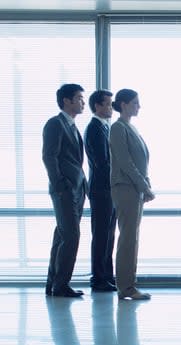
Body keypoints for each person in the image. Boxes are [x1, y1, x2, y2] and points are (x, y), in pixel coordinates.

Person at [42, 83, 88, 298]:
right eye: (79, 98)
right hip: (65, 190)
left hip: (76, 189)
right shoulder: (55, 124)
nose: (82, 102)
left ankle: (53, 284)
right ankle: (61, 285)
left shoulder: (71, 125)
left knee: (62, 236)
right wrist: (60, 185)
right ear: (67, 101)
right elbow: (49, 156)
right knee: (70, 236)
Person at [109, 89, 155, 300]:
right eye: (135, 103)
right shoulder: (118, 128)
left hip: (134, 187)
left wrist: (145, 185)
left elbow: (140, 161)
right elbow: (125, 161)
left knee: (132, 237)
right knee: (128, 238)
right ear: (124, 104)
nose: (139, 106)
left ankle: (129, 284)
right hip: (125, 187)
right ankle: (126, 287)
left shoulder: (130, 127)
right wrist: (144, 186)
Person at [85, 89, 117, 293]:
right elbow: (101, 162)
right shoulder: (95, 128)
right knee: (101, 235)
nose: (111, 108)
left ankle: (107, 276)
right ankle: (98, 278)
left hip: (108, 188)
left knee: (108, 234)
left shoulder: (104, 127)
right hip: (101, 189)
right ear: (97, 106)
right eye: (108, 104)